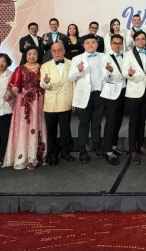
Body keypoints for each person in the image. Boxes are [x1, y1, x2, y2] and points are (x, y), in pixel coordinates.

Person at [3, 48, 47, 170]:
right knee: (23, 127)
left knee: (37, 125)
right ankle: (22, 157)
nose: (32, 56)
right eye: (29, 54)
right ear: (25, 56)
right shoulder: (19, 69)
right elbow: (14, 87)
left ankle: (35, 156)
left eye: (34, 54)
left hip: (39, 101)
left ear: (38, 56)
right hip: (23, 103)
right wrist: (13, 91)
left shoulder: (43, 68)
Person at [68, 35, 106, 163]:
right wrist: (79, 70)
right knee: (83, 124)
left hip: (100, 95)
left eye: (93, 42)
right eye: (88, 43)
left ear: (97, 44)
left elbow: (108, 75)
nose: (90, 44)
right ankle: (82, 150)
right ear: (83, 45)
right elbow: (70, 77)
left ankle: (96, 146)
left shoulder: (104, 56)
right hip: (84, 96)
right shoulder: (77, 58)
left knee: (97, 123)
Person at [40, 41, 74, 166]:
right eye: (54, 51)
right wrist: (46, 82)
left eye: (59, 50)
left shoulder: (72, 63)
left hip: (66, 100)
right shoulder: (45, 66)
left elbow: (74, 83)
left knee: (65, 129)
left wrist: (74, 101)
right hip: (51, 102)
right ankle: (53, 154)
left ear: (64, 51)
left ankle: (66, 151)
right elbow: (42, 85)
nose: (57, 53)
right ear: (51, 52)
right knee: (51, 130)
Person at [123, 30, 146, 164]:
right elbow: (124, 72)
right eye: (138, 39)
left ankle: (141, 146)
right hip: (133, 92)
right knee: (133, 122)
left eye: (143, 39)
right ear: (134, 41)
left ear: (145, 40)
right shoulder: (128, 54)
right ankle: (132, 151)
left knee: (142, 121)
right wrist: (130, 74)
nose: (141, 41)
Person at [102, 34, 128, 165]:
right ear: (110, 44)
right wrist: (110, 71)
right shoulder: (105, 57)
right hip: (111, 94)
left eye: (119, 43)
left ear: (122, 44)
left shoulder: (124, 56)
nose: (117, 45)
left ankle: (113, 146)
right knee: (110, 122)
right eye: (115, 43)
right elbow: (104, 77)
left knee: (118, 121)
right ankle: (108, 152)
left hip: (123, 92)